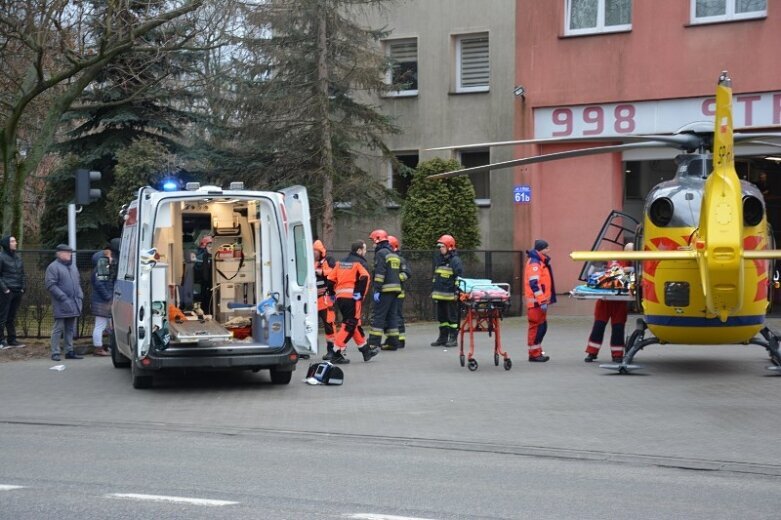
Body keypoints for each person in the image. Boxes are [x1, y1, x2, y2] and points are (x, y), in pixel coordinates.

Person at [326, 241, 378, 363]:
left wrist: (332, 295)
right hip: (353, 299)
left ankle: (366, 352)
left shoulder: (340, 262)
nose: (365, 252)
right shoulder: (360, 263)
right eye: (364, 250)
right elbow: (365, 277)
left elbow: (330, 280)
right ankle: (335, 353)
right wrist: (359, 295)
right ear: (359, 250)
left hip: (340, 299)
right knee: (349, 325)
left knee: (354, 324)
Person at [584, 243, 634, 363]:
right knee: (598, 327)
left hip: (620, 301)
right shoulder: (613, 258)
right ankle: (592, 352)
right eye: (629, 250)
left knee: (618, 328)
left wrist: (630, 270)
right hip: (605, 299)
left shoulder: (633, 262)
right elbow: (596, 272)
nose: (630, 253)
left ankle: (617, 354)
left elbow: (639, 272)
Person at [46, 244, 84, 361]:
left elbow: (77, 282)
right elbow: (51, 285)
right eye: (67, 252)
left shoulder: (73, 267)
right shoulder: (53, 267)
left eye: (70, 252)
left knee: (70, 328)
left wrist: (80, 295)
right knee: (58, 328)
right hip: (61, 303)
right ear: (60, 254)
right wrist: (63, 297)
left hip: (74, 302)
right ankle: (55, 352)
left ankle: (69, 351)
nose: (69, 254)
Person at [367, 229, 403, 351]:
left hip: (385, 290)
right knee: (392, 316)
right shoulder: (393, 254)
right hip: (396, 290)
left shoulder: (381, 253)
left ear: (378, 240)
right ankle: (393, 343)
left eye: (373, 241)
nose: (373, 244)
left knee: (379, 316)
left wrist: (377, 289)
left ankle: (373, 343)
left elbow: (380, 273)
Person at [525, 239, 556, 362]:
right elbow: (534, 284)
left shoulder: (539, 262)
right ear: (541, 249)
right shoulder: (535, 263)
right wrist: (542, 300)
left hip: (539, 302)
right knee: (537, 328)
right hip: (536, 303)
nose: (549, 250)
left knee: (541, 327)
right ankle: (534, 354)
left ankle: (536, 352)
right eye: (547, 248)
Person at [430, 234, 463, 347]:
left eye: (442, 246)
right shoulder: (440, 260)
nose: (440, 249)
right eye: (439, 247)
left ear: (449, 246)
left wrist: (456, 293)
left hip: (450, 296)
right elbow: (436, 278)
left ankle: (453, 338)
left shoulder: (455, 261)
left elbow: (458, 278)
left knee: (452, 318)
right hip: (440, 296)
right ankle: (443, 338)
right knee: (442, 318)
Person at [383, 235, 411, 350]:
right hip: (389, 293)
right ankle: (391, 338)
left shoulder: (400, 259)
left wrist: (395, 277)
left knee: (397, 316)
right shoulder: (387, 258)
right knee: (389, 317)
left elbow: (407, 273)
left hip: (398, 293)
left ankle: (401, 339)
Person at [0, 235, 26, 349]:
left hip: (17, 291)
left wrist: (23, 287)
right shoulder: (1, 257)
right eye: (12, 241)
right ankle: (1, 341)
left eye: (15, 241)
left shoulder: (18, 258)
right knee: (2, 317)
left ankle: (12, 339)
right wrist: (5, 289)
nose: (15, 243)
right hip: (6, 291)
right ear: (7, 244)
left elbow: (23, 274)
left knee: (11, 317)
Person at [90, 243, 115, 356]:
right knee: (100, 325)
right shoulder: (102, 267)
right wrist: (108, 297)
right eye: (109, 256)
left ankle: (101, 346)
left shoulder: (101, 267)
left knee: (103, 325)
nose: (111, 258)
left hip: (100, 300)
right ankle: (98, 348)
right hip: (102, 301)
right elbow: (100, 285)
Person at [313, 240, 337, 358]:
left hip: (325, 298)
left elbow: (334, 272)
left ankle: (332, 350)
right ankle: (305, 349)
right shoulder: (309, 261)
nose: (313, 253)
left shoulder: (329, 260)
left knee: (329, 324)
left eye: (315, 251)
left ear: (320, 251)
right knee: (308, 325)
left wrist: (321, 271)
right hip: (312, 299)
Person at [194, 235, 214, 314]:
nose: (211, 248)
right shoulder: (200, 258)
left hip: (214, 284)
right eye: (209, 246)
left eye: (213, 245)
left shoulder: (217, 256)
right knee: (205, 302)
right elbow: (196, 273)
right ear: (205, 246)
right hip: (203, 285)